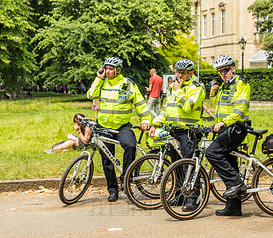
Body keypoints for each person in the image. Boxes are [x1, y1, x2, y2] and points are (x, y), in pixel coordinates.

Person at [87, 57, 151, 202]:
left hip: (122, 127)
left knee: (130, 145)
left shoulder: (128, 84)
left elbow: (140, 104)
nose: (108, 71)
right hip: (104, 127)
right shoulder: (102, 84)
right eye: (106, 68)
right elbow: (91, 95)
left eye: (110, 69)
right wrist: (98, 78)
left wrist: (146, 121)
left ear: (118, 70)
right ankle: (112, 190)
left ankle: (126, 180)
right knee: (107, 160)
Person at [149, 59, 206, 212]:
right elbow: (166, 109)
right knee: (177, 165)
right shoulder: (174, 88)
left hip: (189, 131)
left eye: (184, 73)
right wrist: (155, 124)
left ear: (191, 73)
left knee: (190, 165)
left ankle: (193, 198)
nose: (180, 75)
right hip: (174, 131)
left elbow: (188, 108)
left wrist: (178, 90)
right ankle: (180, 195)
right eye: (178, 72)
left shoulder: (196, 88)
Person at [205, 55, 251, 217]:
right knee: (231, 165)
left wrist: (223, 123)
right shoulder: (225, 85)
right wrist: (212, 94)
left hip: (236, 129)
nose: (223, 74)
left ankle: (237, 183)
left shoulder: (241, 84)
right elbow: (219, 107)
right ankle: (233, 207)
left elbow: (239, 110)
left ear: (233, 68)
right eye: (220, 71)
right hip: (225, 129)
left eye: (225, 70)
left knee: (211, 152)